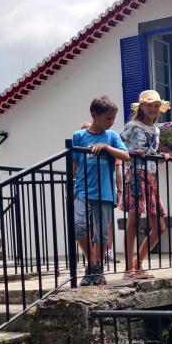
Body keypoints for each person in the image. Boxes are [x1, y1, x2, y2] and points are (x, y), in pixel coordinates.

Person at [71, 96, 129, 286]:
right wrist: (69, 187)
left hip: (105, 192)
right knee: (78, 227)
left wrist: (105, 147)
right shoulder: (79, 136)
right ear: (94, 114)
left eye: (113, 118)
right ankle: (94, 264)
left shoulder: (111, 136)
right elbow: (73, 164)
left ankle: (95, 270)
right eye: (108, 118)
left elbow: (126, 156)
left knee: (102, 234)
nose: (111, 122)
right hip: (82, 190)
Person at [121, 90, 170, 280]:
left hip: (150, 177)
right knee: (133, 221)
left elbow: (152, 153)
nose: (153, 108)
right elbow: (118, 147)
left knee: (160, 227)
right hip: (134, 174)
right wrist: (132, 152)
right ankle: (128, 270)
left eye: (156, 105)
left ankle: (138, 264)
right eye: (149, 105)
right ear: (141, 107)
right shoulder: (132, 126)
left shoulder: (156, 130)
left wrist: (161, 156)